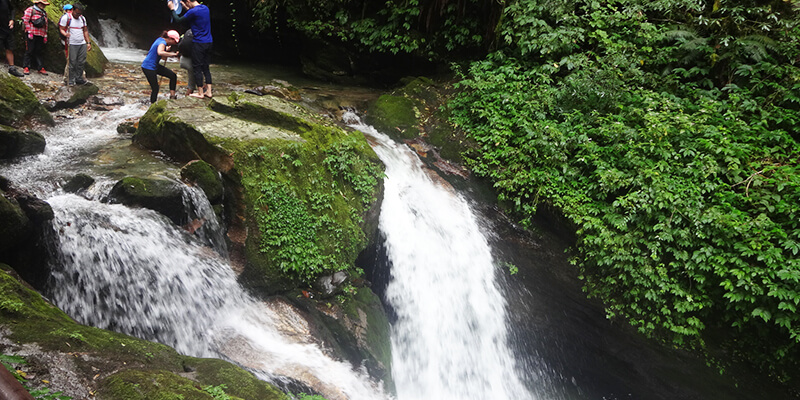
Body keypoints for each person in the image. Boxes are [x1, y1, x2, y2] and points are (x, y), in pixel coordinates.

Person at [168, 0, 213, 98]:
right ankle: (209, 91)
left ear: (188, 1)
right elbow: (193, 12)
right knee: (206, 67)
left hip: (199, 43)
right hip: (209, 42)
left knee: (197, 67)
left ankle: (200, 93)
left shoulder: (193, 12)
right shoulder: (205, 8)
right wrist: (185, 6)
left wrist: (172, 9)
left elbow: (178, 20)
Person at [141, 30, 180, 103]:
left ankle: (172, 96)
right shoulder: (162, 43)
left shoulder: (160, 40)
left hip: (154, 65)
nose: (175, 44)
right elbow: (160, 52)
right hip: (148, 67)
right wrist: (173, 54)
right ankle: (152, 105)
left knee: (173, 76)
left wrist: (166, 50)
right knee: (155, 88)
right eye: (175, 42)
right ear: (170, 39)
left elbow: (162, 56)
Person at [59, 3, 90, 85]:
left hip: (82, 43)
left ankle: (79, 78)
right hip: (72, 43)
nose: (78, 15)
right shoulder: (66, 18)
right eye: (77, 13)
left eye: (80, 13)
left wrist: (88, 42)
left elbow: (85, 30)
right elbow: (61, 28)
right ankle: (70, 79)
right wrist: (65, 34)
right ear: (72, 10)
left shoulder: (82, 19)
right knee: (72, 62)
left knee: (81, 62)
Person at [22, 0, 49, 75]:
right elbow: (26, 21)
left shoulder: (44, 13)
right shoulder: (30, 10)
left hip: (40, 34)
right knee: (29, 50)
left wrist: (45, 35)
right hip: (32, 33)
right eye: (42, 4)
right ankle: (26, 67)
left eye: (44, 4)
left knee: (39, 51)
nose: (43, 6)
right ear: (38, 3)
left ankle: (40, 67)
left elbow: (46, 25)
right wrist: (29, 31)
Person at [0, 0, 22, 76]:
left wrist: (12, 19)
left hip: (7, 28)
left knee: (9, 48)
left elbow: (12, 9)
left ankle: (12, 68)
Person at [177, 29, 196, 96]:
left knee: (194, 79)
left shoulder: (188, 32)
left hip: (183, 60)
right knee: (191, 85)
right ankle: (187, 98)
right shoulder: (200, 33)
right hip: (190, 61)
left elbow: (180, 43)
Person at [58, 4, 72, 82]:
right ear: (65, 11)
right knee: (69, 58)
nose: (70, 11)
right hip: (67, 40)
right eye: (69, 10)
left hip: (74, 41)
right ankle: (67, 77)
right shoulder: (64, 18)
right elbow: (61, 29)